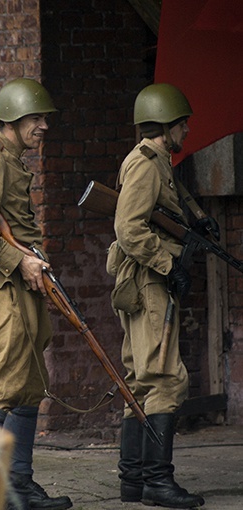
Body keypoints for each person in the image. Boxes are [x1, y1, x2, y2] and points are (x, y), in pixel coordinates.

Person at [0, 78, 72, 510]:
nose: (43, 126)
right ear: (14, 118)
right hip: (0, 289)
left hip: (21, 288)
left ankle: (18, 485)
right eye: (36, 118)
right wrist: (18, 260)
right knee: (2, 386)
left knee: (27, 385)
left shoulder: (13, 161)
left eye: (44, 118)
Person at [107, 83, 205, 508]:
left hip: (143, 279)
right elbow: (129, 229)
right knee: (165, 378)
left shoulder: (154, 160)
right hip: (149, 280)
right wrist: (171, 266)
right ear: (166, 126)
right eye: (182, 123)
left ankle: (134, 479)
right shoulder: (147, 165)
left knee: (140, 379)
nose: (187, 130)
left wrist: (199, 219)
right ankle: (156, 483)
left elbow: (165, 208)